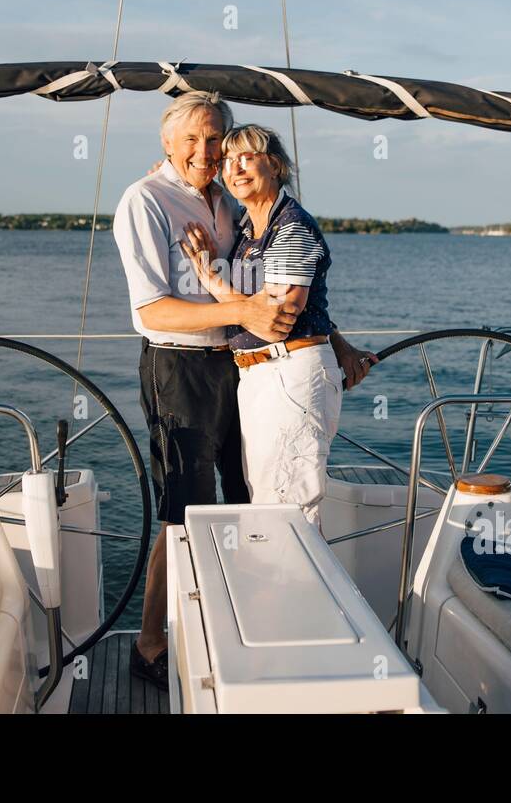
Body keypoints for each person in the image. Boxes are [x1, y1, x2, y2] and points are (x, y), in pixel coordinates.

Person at [112, 94, 373, 689]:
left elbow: (279, 296)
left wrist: (339, 343)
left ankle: (237, 632)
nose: (208, 153)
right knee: (184, 512)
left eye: (218, 142)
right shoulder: (145, 201)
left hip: (242, 368)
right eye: (195, 141)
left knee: (246, 502)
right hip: (179, 369)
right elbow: (153, 307)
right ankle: (152, 643)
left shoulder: (231, 203)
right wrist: (243, 306)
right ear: (167, 143)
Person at [180, 123, 376, 531]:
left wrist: (211, 279)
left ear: (275, 165)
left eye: (246, 158)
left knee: (291, 511)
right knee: (270, 499)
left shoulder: (290, 229)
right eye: (227, 161)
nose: (234, 168)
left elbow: (274, 324)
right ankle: (282, 589)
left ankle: (298, 592)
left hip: (288, 372)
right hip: (260, 375)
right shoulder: (250, 228)